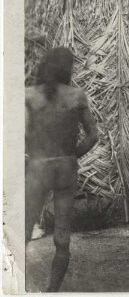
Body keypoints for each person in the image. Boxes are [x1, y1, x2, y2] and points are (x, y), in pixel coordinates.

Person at [25, 47, 98, 292]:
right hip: (66, 168)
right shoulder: (77, 96)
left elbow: (21, 133)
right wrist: (72, 155)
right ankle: (52, 292)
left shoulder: (30, 96)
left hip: (38, 167)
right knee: (62, 236)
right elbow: (92, 136)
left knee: (22, 230)